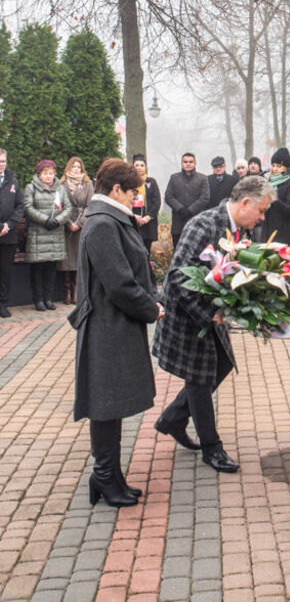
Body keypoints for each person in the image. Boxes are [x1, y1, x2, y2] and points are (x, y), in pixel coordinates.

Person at [152, 175, 275, 472]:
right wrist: (208, 314)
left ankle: (173, 419)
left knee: (221, 365)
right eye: (260, 211)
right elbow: (181, 275)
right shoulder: (203, 225)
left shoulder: (243, 233)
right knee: (200, 377)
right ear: (245, 203)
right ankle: (211, 448)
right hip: (188, 314)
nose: (262, 218)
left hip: (212, 312)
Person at [71, 158, 163, 508]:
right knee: (105, 403)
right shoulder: (103, 224)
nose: (135, 200)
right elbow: (120, 283)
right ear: (115, 190)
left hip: (115, 323)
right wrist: (151, 307)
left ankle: (110, 475)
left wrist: (150, 299)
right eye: (132, 193)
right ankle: (105, 476)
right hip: (107, 325)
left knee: (111, 402)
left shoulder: (108, 219)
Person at [24, 160, 72, 311]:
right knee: (38, 269)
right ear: (39, 174)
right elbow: (28, 207)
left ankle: (48, 298)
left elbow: (68, 208)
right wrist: (45, 220)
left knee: (51, 268)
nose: (48, 176)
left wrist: (57, 220)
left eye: (51, 173)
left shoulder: (60, 189)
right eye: (45, 173)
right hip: (38, 234)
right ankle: (38, 300)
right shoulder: (31, 187)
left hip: (55, 233)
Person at [60, 157, 94, 305]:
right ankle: (67, 291)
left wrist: (79, 223)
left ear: (82, 169)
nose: (76, 169)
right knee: (67, 260)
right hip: (67, 225)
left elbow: (90, 205)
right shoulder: (61, 184)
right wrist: (68, 223)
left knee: (79, 258)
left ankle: (77, 291)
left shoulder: (87, 184)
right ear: (69, 167)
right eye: (73, 166)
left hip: (81, 224)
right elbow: (59, 205)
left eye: (78, 167)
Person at [164, 153, 210, 247]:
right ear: (181, 163)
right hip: (178, 222)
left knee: (196, 253)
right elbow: (168, 196)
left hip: (196, 222)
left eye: (190, 162)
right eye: (185, 162)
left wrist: (190, 210)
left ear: (195, 163)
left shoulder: (203, 178)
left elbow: (205, 197)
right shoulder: (174, 178)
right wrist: (180, 208)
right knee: (178, 252)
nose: (188, 164)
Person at [0, 149, 25, 319]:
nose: (0, 164)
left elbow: (20, 206)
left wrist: (9, 225)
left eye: (2, 161)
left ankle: (3, 304)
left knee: (5, 272)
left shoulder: (13, 182)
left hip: (8, 235)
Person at [262, 148, 290, 245]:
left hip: (285, 234)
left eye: (279, 166)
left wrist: (273, 198)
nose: (275, 169)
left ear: (286, 167)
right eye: (273, 166)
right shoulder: (268, 181)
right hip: (267, 232)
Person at [131, 155, 161, 261]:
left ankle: (147, 274)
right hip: (133, 220)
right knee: (133, 250)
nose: (139, 168)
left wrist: (147, 217)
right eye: (137, 165)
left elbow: (156, 201)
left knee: (146, 251)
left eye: (142, 165)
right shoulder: (128, 182)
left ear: (146, 167)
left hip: (148, 221)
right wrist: (133, 216)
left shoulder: (151, 182)